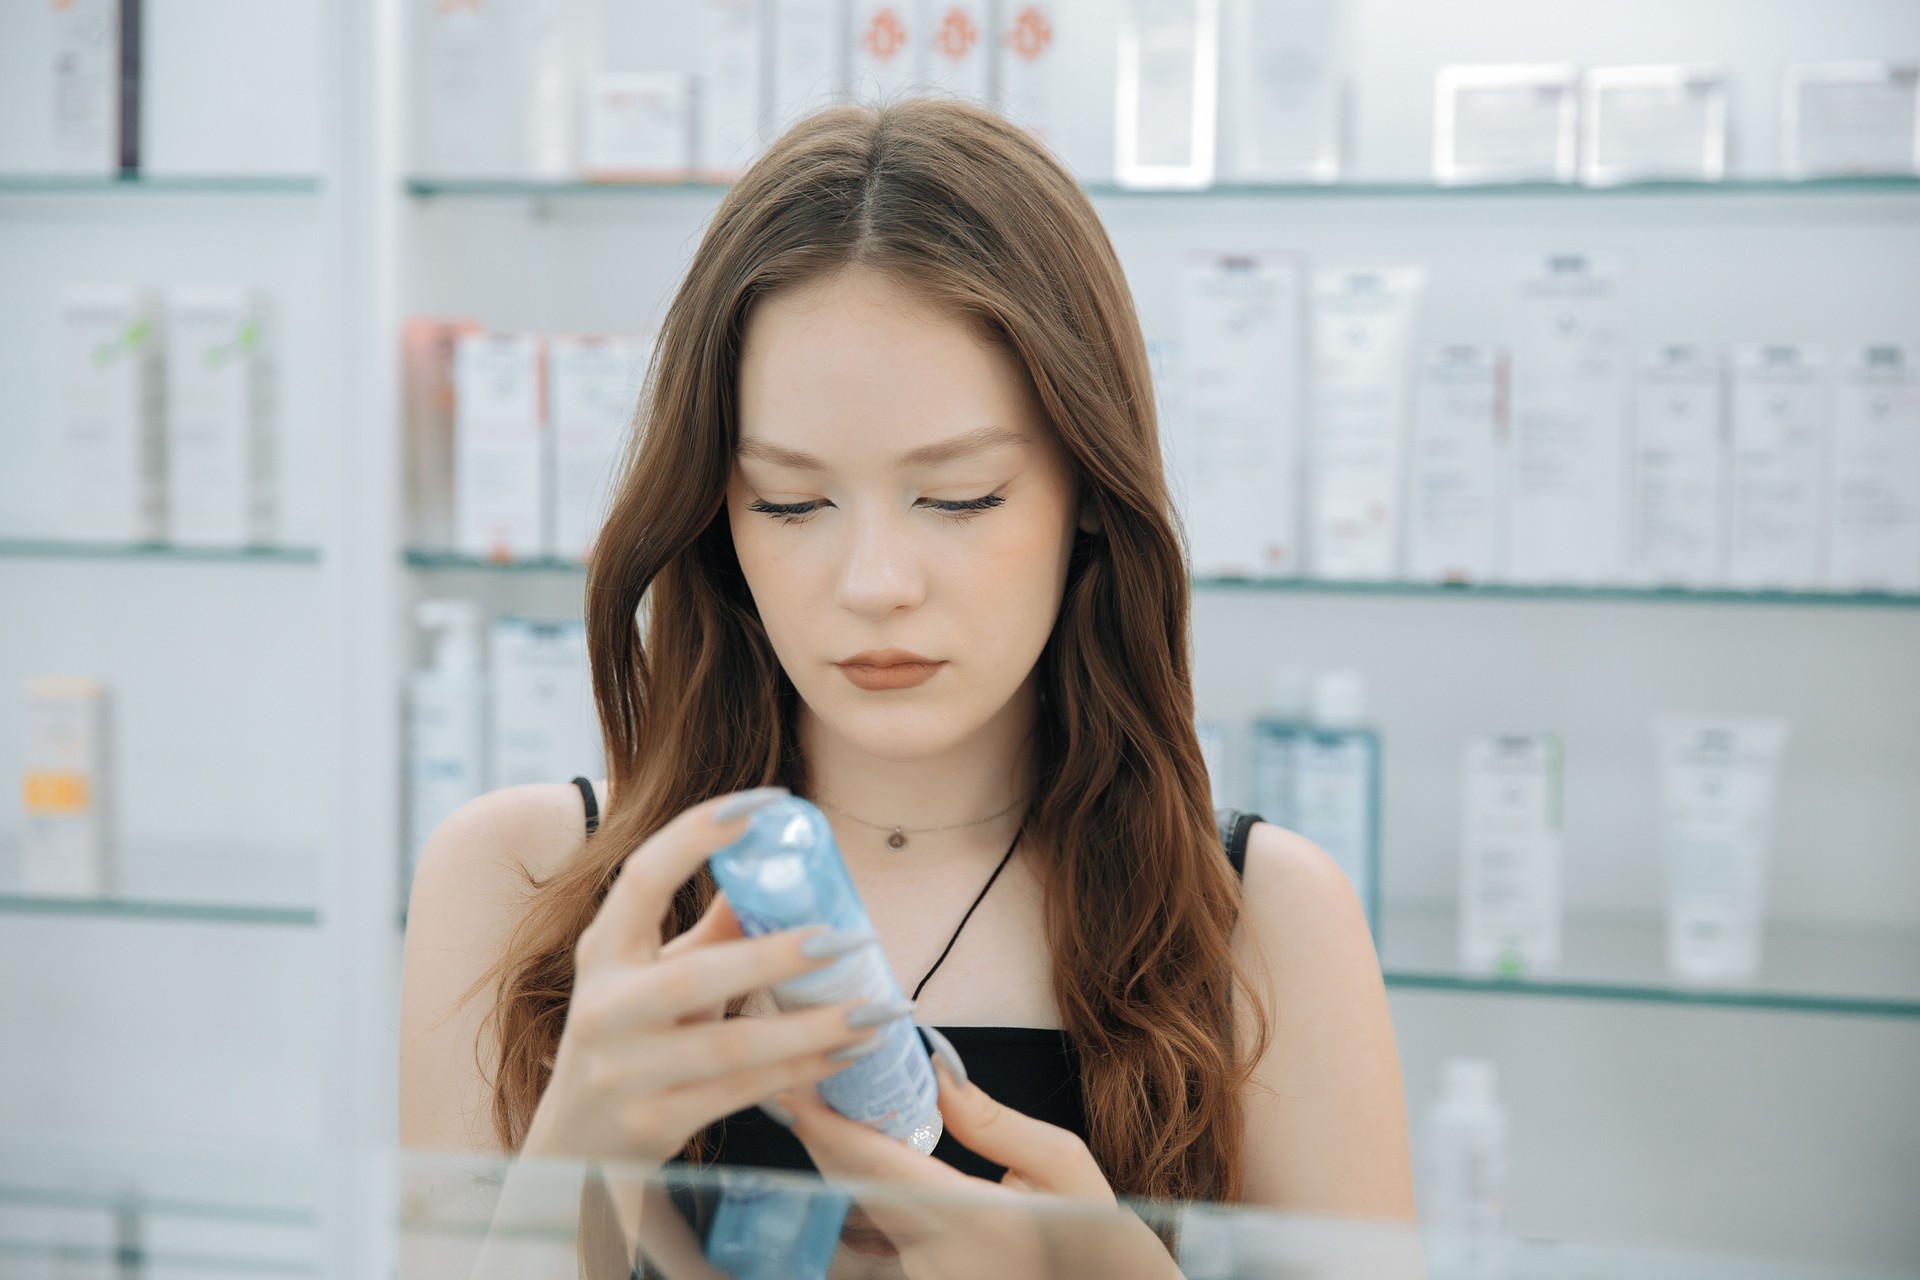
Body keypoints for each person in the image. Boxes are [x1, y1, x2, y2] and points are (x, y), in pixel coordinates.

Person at [400, 97, 1412, 1268]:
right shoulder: (518, 882)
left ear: (1088, 485)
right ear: (717, 512)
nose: (875, 583)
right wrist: (573, 1167)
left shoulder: (1261, 919)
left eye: (962, 495)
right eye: (789, 500)